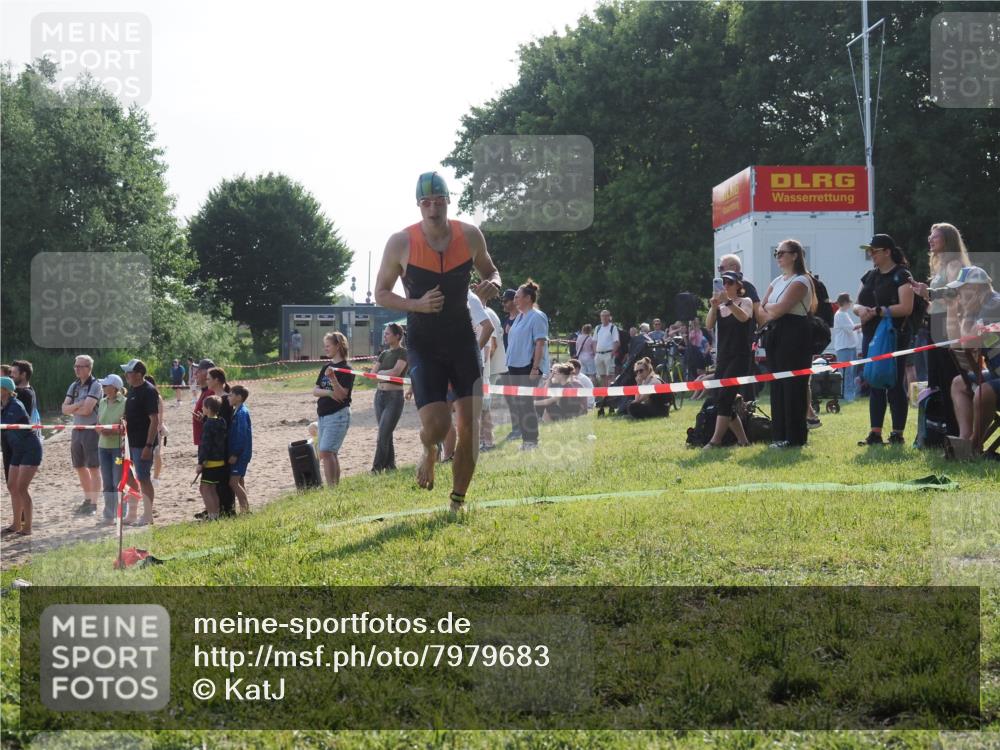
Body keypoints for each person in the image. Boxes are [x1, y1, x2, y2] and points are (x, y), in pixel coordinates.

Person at [373, 171, 501, 511]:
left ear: (448, 200)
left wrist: (494, 283)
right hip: (424, 344)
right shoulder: (401, 242)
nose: (433, 208)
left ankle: (457, 502)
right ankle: (429, 449)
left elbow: (491, 270)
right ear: (418, 205)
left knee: (470, 425)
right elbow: (381, 293)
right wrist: (416, 304)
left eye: (439, 201)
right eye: (426, 202)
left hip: (462, 341)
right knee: (437, 426)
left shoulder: (469, 235)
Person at [910, 222, 973, 436]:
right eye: (930, 236)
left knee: (948, 378)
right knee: (937, 380)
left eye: (935, 236)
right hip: (935, 323)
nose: (930, 239)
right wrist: (924, 294)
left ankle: (955, 432)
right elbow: (939, 299)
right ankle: (942, 430)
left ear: (947, 240)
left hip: (947, 325)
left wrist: (928, 292)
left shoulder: (954, 264)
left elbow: (954, 295)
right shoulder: (940, 266)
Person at [854, 234, 916, 446]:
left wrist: (880, 311)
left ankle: (897, 433)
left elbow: (906, 307)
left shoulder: (902, 275)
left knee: (894, 383)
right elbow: (856, 303)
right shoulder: (869, 276)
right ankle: (875, 433)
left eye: (874, 251)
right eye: (869, 251)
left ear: (887, 252)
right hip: (870, 335)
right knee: (874, 381)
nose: (871, 254)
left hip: (894, 336)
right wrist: (861, 310)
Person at [758, 239, 817, 448]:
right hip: (775, 334)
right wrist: (771, 309)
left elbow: (780, 309)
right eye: (776, 253)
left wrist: (770, 308)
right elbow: (761, 309)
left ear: (794, 255)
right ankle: (779, 435)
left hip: (795, 334)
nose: (778, 257)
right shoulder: (777, 281)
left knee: (793, 386)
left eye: (782, 253)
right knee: (777, 386)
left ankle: (795, 438)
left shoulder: (802, 280)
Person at [942, 267, 1000, 451]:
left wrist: (965, 313)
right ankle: (964, 440)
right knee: (959, 383)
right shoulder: (980, 308)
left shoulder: (993, 305)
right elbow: (956, 344)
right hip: (997, 373)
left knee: (984, 391)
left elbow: (968, 342)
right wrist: (952, 309)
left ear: (975, 288)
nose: (958, 295)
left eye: (961, 289)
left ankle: (973, 445)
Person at [703, 271, 753, 447]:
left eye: (729, 282)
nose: (725, 286)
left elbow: (744, 317)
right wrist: (713, 306)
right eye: (722, 282)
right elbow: (709, 325)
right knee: (720, 398)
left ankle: (715, 441)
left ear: (738, 285)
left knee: (725, 396)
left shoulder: (745, 301)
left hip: (740, 357)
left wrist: (729, 302)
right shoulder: (720, 306)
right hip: (723, 357)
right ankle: (743, 441)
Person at [505, 279, 551, 450]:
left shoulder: (537, 316)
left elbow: (540, 343)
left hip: (528, 366)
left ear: (528, 298)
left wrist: (535, 368)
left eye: (518, 296)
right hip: (514, 365)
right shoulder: (519, 317)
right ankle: (526, 440)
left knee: (526, 403)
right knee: (519, 404)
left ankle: (532, 441)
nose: (515, 299)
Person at [62, 354, 103, 515]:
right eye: (75, 366)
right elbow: (64, 409)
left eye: (80, 366)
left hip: (91, 429)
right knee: (79, 466)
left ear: (89, 368)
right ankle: (87, 499)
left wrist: (74, 407)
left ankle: (94, 503)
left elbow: (87, 410)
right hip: (77, 429)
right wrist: (79, 404)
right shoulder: (74, 386)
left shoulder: (96, 385)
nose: (77, 369)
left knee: (93, 467)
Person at [1, 376, 41, 536]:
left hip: (30, 449)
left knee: (22, 488)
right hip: (17, 450)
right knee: (12, 486)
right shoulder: (4, 406)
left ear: (5, 390)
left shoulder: (15, 405)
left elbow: (6, 425)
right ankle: (16, 524)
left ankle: (27, 527)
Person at [313, 331, 354, 486]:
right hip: (323, 415)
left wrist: (333, 379)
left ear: (338, 346)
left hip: (338, 414)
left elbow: (342, 395)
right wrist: (329, 392)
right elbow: (315, 391)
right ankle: (334, 487)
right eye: (325, 346)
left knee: (326, 451)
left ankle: (332, 488)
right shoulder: (326, 366)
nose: (325, 348)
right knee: (328, 453)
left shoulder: (346, 369)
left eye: (328, 345)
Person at [121, 359, 159, 526]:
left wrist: (148, 446)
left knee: (144, 478)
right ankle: (133, 514)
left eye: (128, 372)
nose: (126, 375)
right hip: (131, 442)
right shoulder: (132, 390)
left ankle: (148, 515)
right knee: (130, 476)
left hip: (143, 444)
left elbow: (154, 420)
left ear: (138, 374)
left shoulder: (149, 391)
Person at [371, 323, 408, 472]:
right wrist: (382, 374)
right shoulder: (383, 353)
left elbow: (396, 372)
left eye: (387, 333)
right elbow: (372, 374)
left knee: (383, 434)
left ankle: (376, 469)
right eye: (384, 333)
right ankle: (391, 466)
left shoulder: (403, 352)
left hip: (394, 397)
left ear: (397, 336)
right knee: (386, 433)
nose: (385, 336)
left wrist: (381, 373)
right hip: (379, 396)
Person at [94, 374, 127, 526]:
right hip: (103, 447)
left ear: (114, 388)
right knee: (107, 482)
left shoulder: (125, 403)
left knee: (117, 481)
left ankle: (121, 514)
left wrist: (112, 431)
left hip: (118, 449)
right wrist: (99, 429)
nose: (103, 387)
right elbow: (98, 423)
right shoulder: (102, 401)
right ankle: (108, 515)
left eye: (105, 385)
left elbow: (126, 426)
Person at [478, 286, 506, 451]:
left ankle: (487, 441)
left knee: (484, 407)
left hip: (487, 369)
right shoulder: (484, 312)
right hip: (487, 368)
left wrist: (483, 367)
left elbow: (492, 346)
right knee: (481, 407)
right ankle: (483, 440)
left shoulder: (485, 314)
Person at [206, 367, 236, 515]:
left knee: (223, 479)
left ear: (217, 380)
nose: (206, 381)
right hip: (216, 446)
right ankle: (216, 509)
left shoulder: (225, 400)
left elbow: (223, 425)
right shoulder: (216, 398)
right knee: (215, 481)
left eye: (208, 378)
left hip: (222, 446)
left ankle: (226, 509)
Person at [196, 395, 227, 520]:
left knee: (204, 489)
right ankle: (216, 515)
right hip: (220, 461)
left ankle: (212, 516)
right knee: (213, 489)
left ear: (208, 408)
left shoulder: (208, 425)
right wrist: (204, 419)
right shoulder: (221, 421)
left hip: (210, 463)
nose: (202, 409)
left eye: (203, 407)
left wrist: (200, 463)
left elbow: (205, 445)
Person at [227, 385, 253, 512]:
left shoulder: (242, 413)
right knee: (240, 481)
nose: (228, 397)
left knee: (233, 482)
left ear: (239, 397)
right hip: (241, 453)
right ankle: (245, 509)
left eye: (231, 395)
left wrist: (235, 454)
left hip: (241, 454)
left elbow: (241, 435)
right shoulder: (236, 411)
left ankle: (246, 510)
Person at [833, 293, 861, 402]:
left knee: (851, 372)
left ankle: (850, 395)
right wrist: (863, 324)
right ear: (845, 302)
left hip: (849, 347)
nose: (850, 304)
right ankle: (846, 396)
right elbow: (851, 328)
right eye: (849, 302)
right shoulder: (840, 314)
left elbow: (851, 329)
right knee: (846, 373)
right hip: (844, 347)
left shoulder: (844, 314)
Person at [144, 374, 167, 487]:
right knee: (155, 453)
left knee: (157, 453)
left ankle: (156, 477)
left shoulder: (156, 397)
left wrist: (159, 426)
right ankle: (153, 477)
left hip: (155, 428)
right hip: (148, 428)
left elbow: (160, 414)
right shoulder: (152, 396)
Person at [594, 310, 619, 388]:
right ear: (600, 317)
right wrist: (595, 353)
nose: (604, 317)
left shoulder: (613, 327)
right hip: (599, 354)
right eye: (602, 316)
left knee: (610, 376)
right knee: (601, 375)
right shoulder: (597, 328)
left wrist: (612, 353)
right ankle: (604, 393)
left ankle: (611, 392)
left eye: (606, 316)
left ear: (609, 317)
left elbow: (616, 342)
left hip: (609, 353)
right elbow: (594, 341)